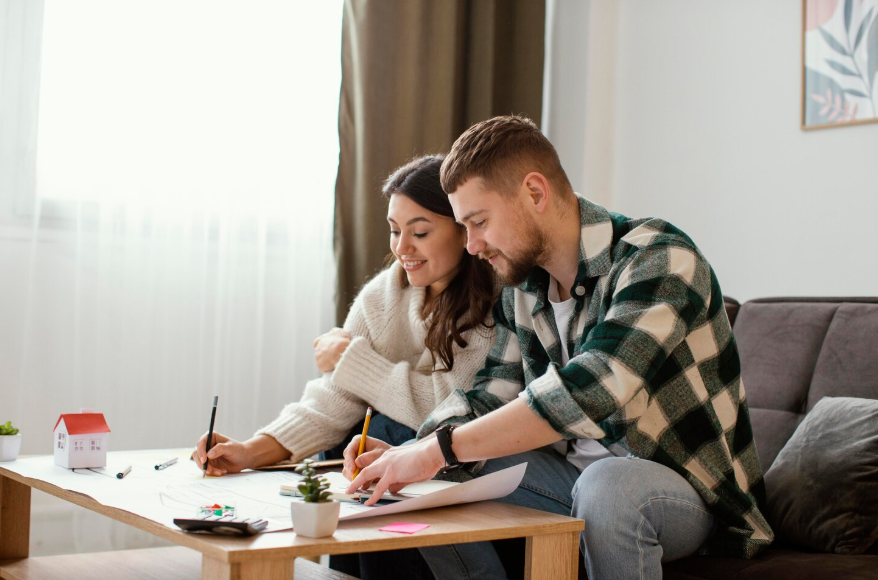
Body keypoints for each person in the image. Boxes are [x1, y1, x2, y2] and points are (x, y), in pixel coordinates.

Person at [343, 116, 774, 580]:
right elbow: (490, 394)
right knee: (440, 470)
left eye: (479, 222)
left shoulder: (658, 258)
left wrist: (436, 449)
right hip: (571, 481)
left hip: (686, 496)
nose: (471, 246)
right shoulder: (523, 289)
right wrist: (412, 451)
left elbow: (594, 387)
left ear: (534, 192)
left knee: (606, 486)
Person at [192, 154, 496, 479]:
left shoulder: (491, 299)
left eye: (419, 233)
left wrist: (348, 360)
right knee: (353, 434)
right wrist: (250, 451)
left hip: (454, 454)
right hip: (400, 447)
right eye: (394, 231)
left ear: (462, 228)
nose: (402, 247)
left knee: (378, 428)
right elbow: (335, 398)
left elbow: (446, 409)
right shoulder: (382, 296)